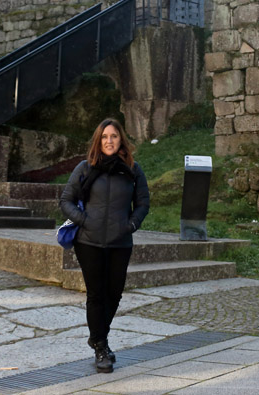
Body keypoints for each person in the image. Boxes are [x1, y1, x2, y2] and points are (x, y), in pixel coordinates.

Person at [59, 118, 149, 373]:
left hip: (121, 241)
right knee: (96, 294)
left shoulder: (133, 169)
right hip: (89, 242)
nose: (109, 141)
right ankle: (101, 346)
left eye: (114, 136)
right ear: (98, 141)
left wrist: (131, 225)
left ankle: (97, 335)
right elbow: (66, 200)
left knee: (115, 293)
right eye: (105, 137)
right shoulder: (85, 168)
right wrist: (84, 221)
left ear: (121, 139)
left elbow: (143, 203)